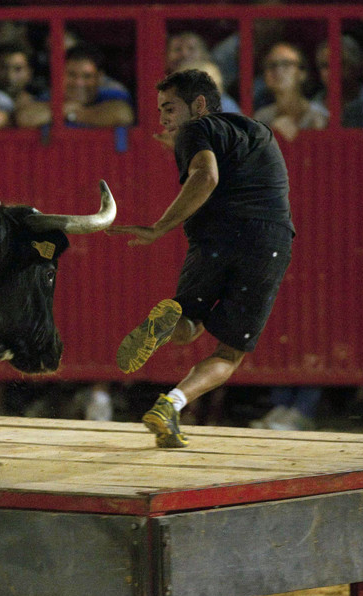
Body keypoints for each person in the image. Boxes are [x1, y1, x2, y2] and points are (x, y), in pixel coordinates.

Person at [107, 69, 295, 449]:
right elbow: (217, 168)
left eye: (169, 108)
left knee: (189, 321)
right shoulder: (257, 130)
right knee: (229, 352)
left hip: (214, 238)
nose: (162, 119)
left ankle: (167, 325)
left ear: (199, 105)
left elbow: (206, 177)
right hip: (265, 240)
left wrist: (159, 228)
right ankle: (170, 406)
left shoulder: (196, 130)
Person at [14, 45, 134, 129]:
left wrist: (72, 114)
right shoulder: (50, 96)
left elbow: (123, 115)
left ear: (99, 78)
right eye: (71, 75)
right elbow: (24, 118)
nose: (78, 83)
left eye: (87, 76)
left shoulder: (109, 95)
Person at [253, 42, 329, 141]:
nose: (278, 70)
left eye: (286, 64)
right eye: (272, 65)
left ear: (302, 73)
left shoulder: (319, 117)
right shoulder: (261, 118)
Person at [313, 36, 363, 128]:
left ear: (356, 67)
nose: (332, 72)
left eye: (339, 64)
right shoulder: (312, 107)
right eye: (325, 66)